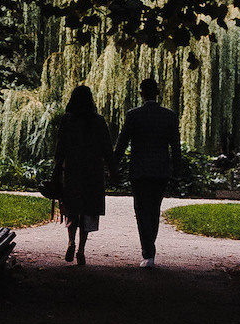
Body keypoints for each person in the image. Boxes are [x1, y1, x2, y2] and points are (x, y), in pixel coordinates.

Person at [115, 76, 181, 266]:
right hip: (161, 170)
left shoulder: (133, 115)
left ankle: (148, 253)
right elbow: (175, 147)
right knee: (154, 209)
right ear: (157, 93)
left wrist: (113, 165)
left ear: (141, 92)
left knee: (142, 210)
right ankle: (149, 249)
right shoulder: (169, 116)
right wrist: (177, 171)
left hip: (140, 170)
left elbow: (122, 143)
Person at [51, 84, 111, 266]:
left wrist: (57, 168)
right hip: (92, 170)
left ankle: (70, 242)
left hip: (73, 169)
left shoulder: (67, 121)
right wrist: (113, 169)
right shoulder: (98, 121)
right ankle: (82, 250)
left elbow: (61, 147)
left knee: (72, 207)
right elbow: (107, 147)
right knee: (87, 209)